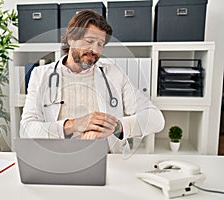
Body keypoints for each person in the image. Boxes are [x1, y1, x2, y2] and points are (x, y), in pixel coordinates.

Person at [19, 10, 165, 153]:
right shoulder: (41, 75)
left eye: (100, 44)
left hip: (108, 160)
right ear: (71, 39)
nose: (94, 50)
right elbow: (26, 129)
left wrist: (116, 127)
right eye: (89, 41)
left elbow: (156, 118)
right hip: (58, 159)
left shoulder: (113, 74)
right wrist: (74, 125)